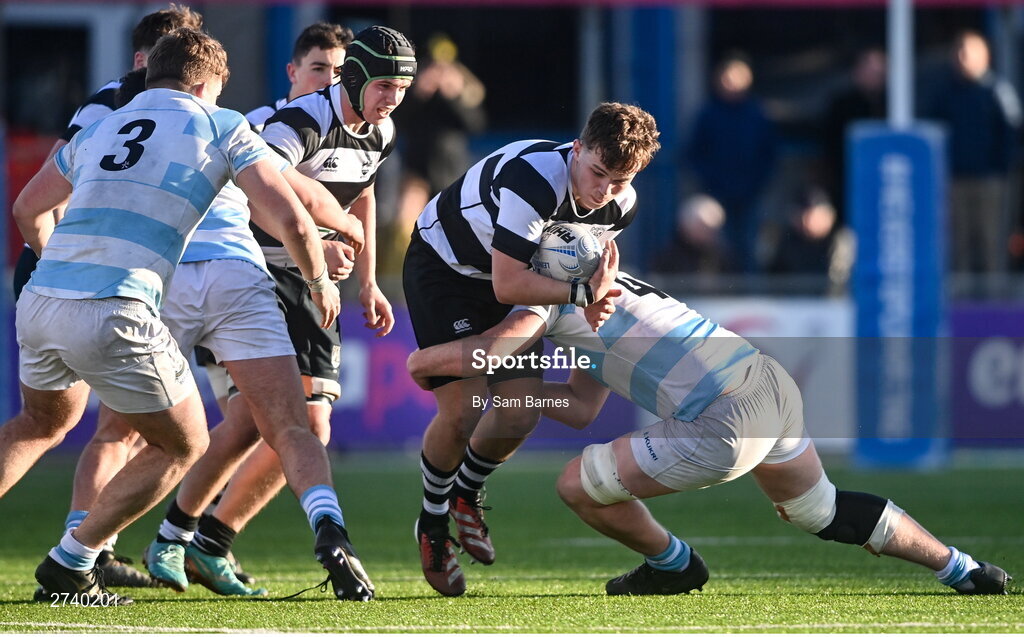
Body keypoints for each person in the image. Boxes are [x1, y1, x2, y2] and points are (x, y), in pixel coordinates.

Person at [0, 28, 366, 605]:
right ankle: (75, 559)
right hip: (126, 303)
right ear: (204, 83)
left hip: (43, 301)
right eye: (219, 89)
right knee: (185, 446)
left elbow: (26, 209)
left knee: (40, 426)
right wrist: (320, 279)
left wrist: (60, 266)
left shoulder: (99, 124)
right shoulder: (221, 124)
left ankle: (92, 551)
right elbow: (292, 219)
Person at [406, 267, 1012, 597]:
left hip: (722, 417)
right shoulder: (613, 288)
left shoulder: (548, 300)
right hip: (767, 381)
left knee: (576, 486)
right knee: (821, 510)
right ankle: (961, 568)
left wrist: (422, 364)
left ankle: (673, 565)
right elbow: (581, 406)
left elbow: (490, 351)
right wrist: (520, 389)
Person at [143, 25, 414, 595]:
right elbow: (269, 189)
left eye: (401, 87)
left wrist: (368, 279)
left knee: (284, 420)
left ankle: (199, 538)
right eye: (384, 84)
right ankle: (167, 537)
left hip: (312, 273)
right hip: (256, 270)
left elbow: (360, 191)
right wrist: (324, 235)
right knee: (278, 419)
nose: (392, 97)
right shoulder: (296, 121)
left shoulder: (380, 128)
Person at [403, 102, 660, 596]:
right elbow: (507, 284)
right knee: (463, 413)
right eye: (597, 172)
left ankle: (466, 493)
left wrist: (592, 295)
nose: (602, 191)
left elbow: (570, 266)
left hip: (524, 279)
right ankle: (432, 523)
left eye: (620, 181)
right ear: (578, 148)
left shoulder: (621, 203)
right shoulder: (535, 178)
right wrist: (584, 296)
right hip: (448, 269)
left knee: (519, 414)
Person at [9, 5, 203, 591]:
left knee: (62, 425)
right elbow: (46, 190)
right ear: (147, 59)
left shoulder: (138, 104)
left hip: (76, 278)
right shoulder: (116, 103)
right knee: (160, 434)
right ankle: (83, 548)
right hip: (82, 277)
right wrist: (62, 262)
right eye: (177, 53)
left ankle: (90, 542)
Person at [383, 33, 486, 276]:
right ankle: (398, 282)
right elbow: (395, 121)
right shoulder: (410, 89)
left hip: (451, 174)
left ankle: (452, 277)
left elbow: (475, 125)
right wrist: (420, 93)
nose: (439, 73)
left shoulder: (464, 89)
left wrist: (453, 97)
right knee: (405, 227)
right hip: (416, 172)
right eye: (434, 66)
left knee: (454, 228)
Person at [925, 30, 1021, 278]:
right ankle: (960, 295)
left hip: (990, 179)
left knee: (992, 237)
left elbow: (1011, 132)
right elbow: (934, 132)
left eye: (969, 52)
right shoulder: (945, 93)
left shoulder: (996, 91)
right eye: (959, 52)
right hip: (955, 178)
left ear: (984, 56)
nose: (963, 58)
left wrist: (1000, 167)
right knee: (958, 240)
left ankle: (995, 295)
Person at [685, 52, 777, 273]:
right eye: (727, 77)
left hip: (751, 194)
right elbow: (694, 153)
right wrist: (710, 183)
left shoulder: (757, 114)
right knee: (718, 246)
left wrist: (757, 182)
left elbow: (770, 153)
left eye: (737, 77)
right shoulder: (708, 115)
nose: (732, 83)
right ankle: (721, 290)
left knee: (750, 246)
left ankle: (750, 291)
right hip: (717, 195)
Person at [820, 47, 886, 228]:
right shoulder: (842, 105)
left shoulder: (894, 104)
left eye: (879, 70)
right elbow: (831, 143)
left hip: (882, 182)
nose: (875, 75)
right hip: (847, 179)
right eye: (870, 69)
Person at [650, 194, 736, 275]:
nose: (709, 234)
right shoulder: (669, 257)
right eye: (703, 228)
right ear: (687, 225)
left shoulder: (722, 256)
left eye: (712, 229)